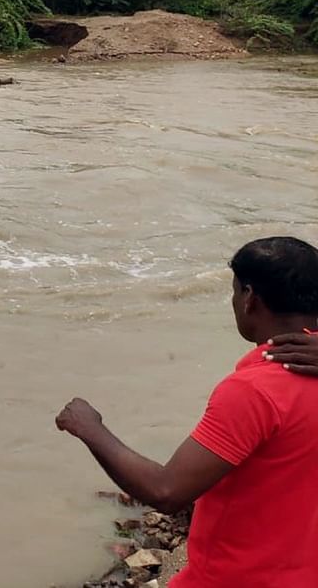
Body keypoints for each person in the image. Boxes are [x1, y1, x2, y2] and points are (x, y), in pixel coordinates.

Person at [56, 236, 318, 588]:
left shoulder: (254, 391)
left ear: (250, 299)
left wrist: (89, 428)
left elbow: (167, 491)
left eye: (234, 291)